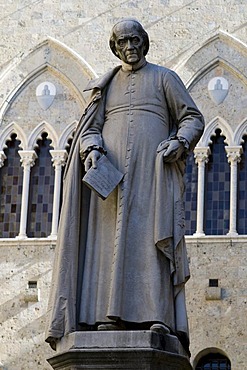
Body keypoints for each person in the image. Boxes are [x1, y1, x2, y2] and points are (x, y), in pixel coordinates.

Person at [45, 18, 204, 355]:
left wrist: (180, 141)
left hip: (152, 176)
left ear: (144, 43)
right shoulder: (106, 86)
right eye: (123, 43)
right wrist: (92, 150)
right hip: (111, 183)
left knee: (151, 241)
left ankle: (157, 315)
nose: (130, 47)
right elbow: (90, 127)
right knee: (107, 248)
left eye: (135, 41)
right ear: (115, 47)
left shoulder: (164, 78)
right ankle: (107, 316)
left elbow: (193, 117)